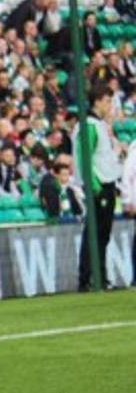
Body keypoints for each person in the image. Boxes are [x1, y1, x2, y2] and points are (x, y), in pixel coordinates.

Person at [74, 88, 123, 290]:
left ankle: (99, 277)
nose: (110, 106)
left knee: (101, 234)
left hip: (105, 184)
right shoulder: (90, 125)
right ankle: (90, 278)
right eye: (107, 101)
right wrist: (95, 186)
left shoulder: (97, 125)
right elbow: (84, 157)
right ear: (97, 102)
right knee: (95, 233)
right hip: (99, 185)